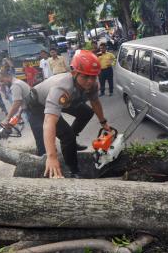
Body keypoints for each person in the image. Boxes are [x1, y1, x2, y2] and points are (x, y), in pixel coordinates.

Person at [25, 50, 110, 178]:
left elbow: (95, 102)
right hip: (38, 104)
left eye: (93, 76)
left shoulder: (92, 85)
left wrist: (104, 123)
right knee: (67, 136)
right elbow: (49, 122)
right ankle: (73, 171)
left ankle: (71, 142)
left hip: (67, 100)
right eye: (85, 76)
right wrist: (52, 157)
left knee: (86, 112)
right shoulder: (62, 88)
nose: (90, 81)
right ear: (74, 72)